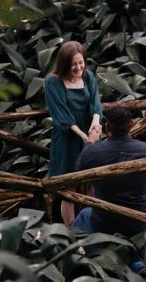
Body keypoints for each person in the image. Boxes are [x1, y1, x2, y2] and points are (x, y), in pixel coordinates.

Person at [72, 106, 146, 276]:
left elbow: (77, 174)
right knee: (135, 228)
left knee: (83, 218)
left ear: (107, 127)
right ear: (132, 124)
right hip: (139, 219)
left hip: (105, 220)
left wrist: (90, 142)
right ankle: (137, 264)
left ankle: (88, 258)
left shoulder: (94, 151)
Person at [45, 40, 103, 226]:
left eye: (81, 62)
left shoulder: (88, 77)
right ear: (64, 64)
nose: (78, 67)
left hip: (90, 134)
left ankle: (92, 227)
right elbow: (61, 114)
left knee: (93, 183)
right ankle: (71, 234)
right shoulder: (53, 82)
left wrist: (95, 124)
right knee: (69, 190)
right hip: (68, 138)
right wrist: (82, 135)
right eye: (73, 64)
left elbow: (95, 103)